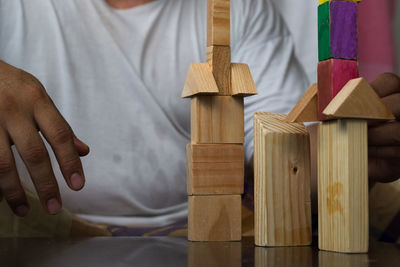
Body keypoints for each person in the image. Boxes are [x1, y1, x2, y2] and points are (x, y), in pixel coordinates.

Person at [0, 0, 399, 229]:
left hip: (194, 236)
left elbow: (282, 152)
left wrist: (346, 154)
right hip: (31, 230)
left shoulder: (236, 9)